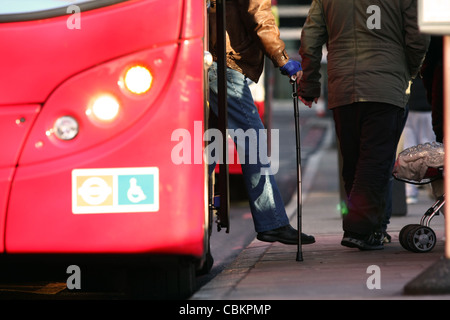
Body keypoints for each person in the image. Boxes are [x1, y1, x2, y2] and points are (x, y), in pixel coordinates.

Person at [298, 0, 429, 250]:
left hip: (343, 86)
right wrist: (408, 72)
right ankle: (360, 229)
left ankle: (373, 228)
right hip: (386, 87)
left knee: (355, 162)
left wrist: (311, 83)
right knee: (376, 161)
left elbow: (310, 37)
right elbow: (418, 38)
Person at [207, 0, 315, 245]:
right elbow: (260, 16)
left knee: (207, 146)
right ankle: (273, 222)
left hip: (208, 58)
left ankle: (186, 212)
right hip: (226, 62)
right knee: (252, 140)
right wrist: (282, 58)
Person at [403, 78, 436, 204]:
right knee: (430, 150)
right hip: (427, 107)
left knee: (409, 149)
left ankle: (410, 191)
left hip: (410, 104)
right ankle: (434, 186)